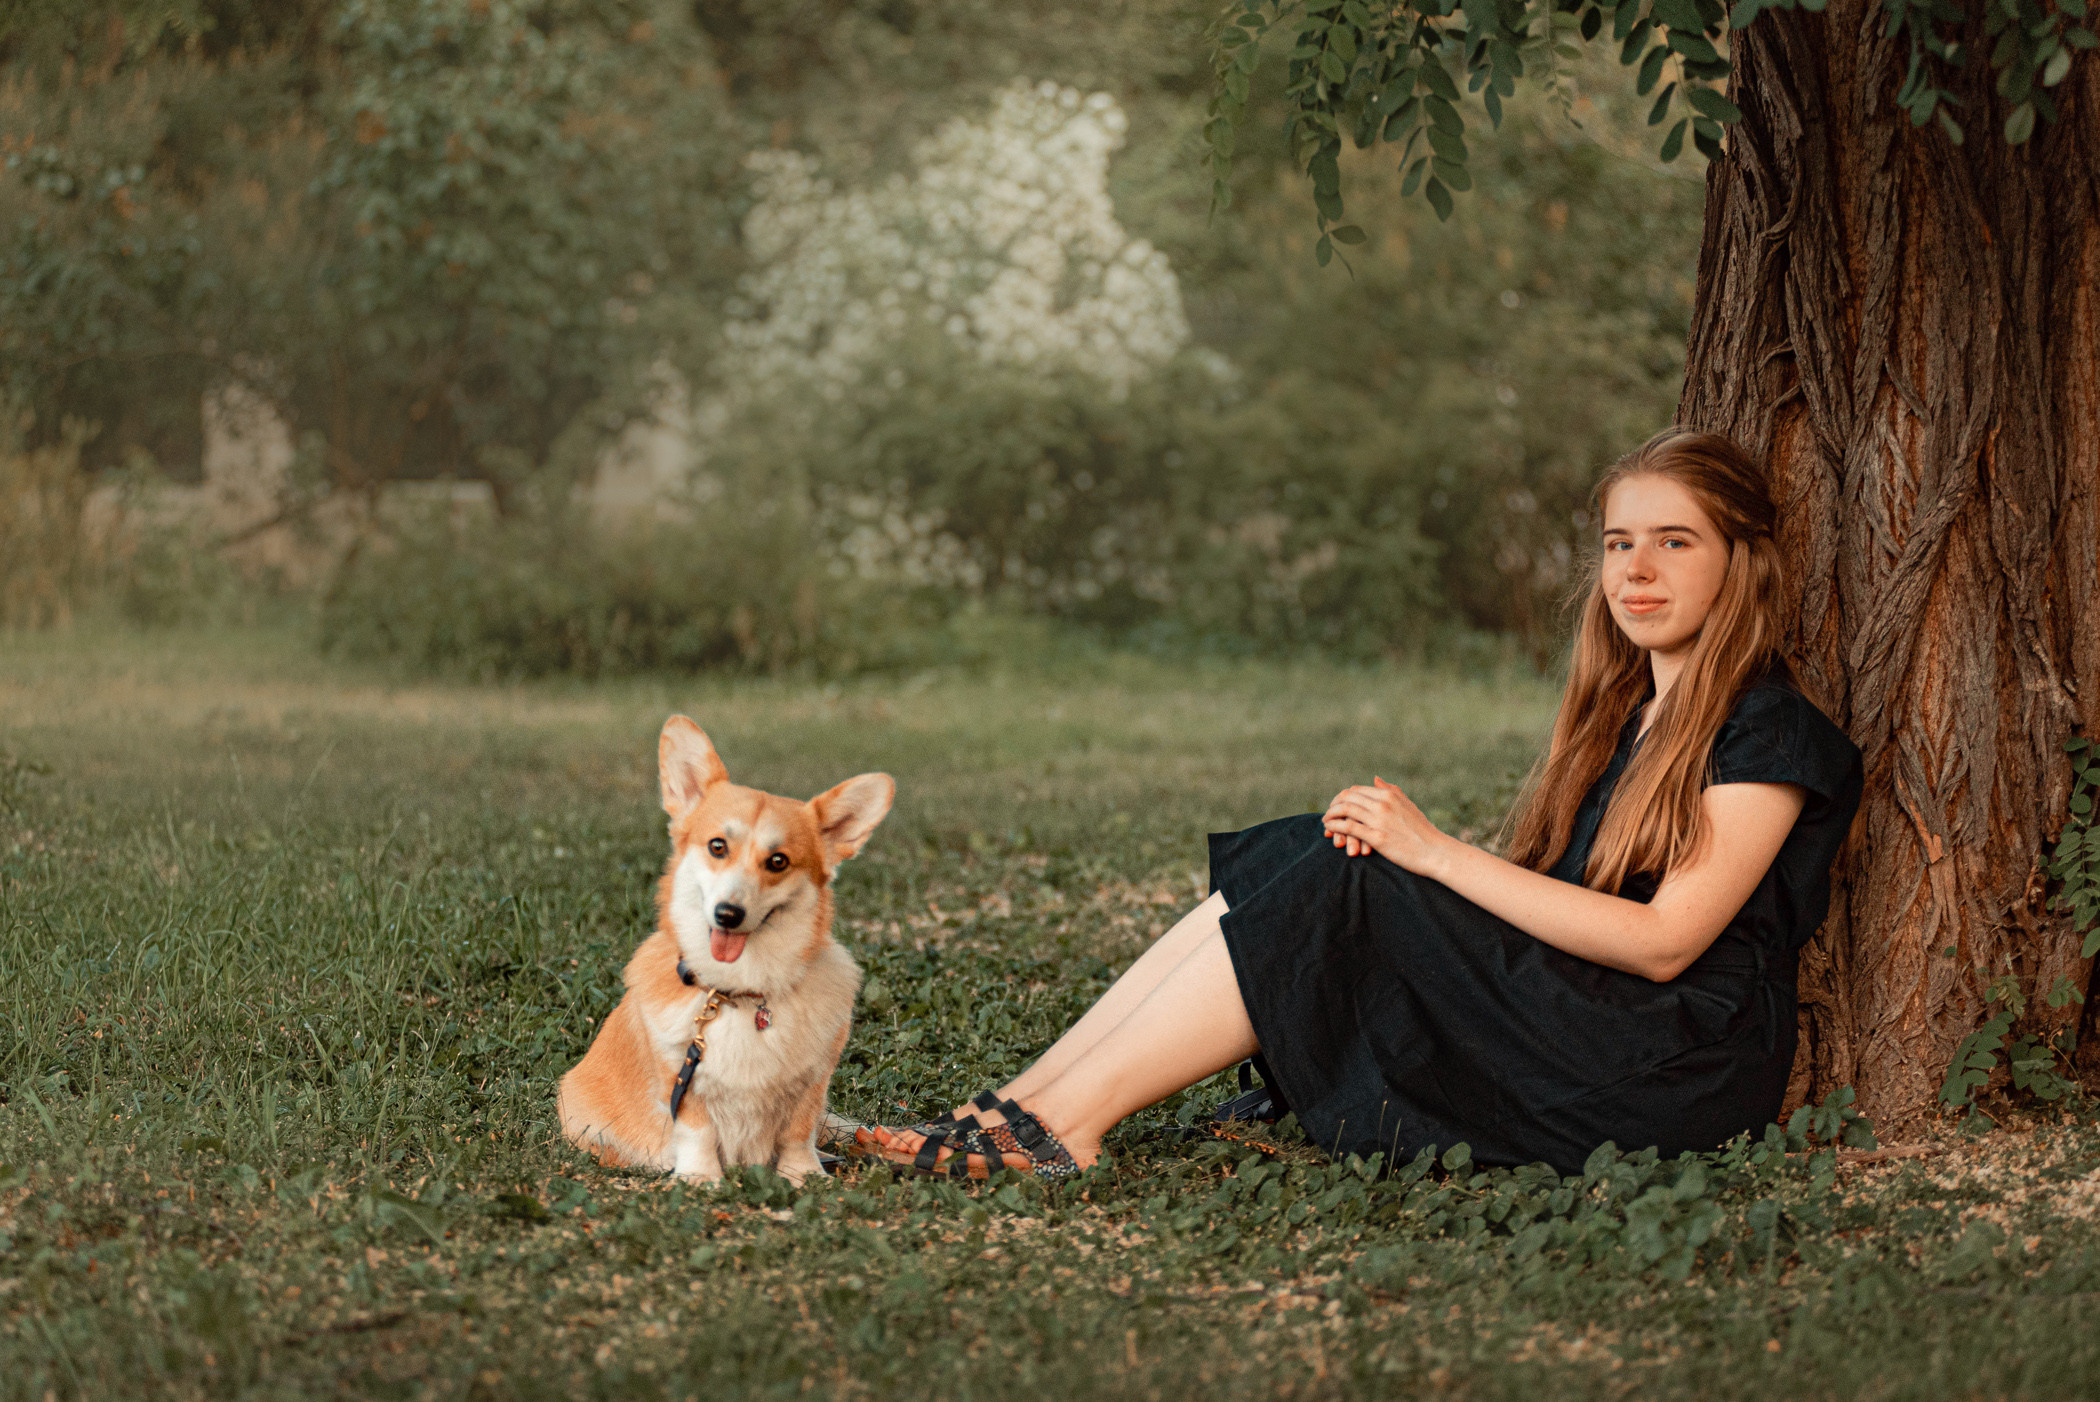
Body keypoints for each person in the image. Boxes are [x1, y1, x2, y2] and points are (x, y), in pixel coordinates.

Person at [858, 428, 1864, 1180]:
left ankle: (1059, 1131)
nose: (1635, 571)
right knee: (1311, 846)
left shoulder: (1768, 733)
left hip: (1663, 1068)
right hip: (1597, 1019)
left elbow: (1662, 943)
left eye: (1676, 542)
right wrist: (1428, 859)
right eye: (1618, 543)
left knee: (1370, 876)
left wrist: (1436, 856)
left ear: (1743, 561)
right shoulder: (1630, 713)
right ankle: (1017, 1108)